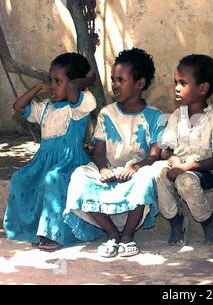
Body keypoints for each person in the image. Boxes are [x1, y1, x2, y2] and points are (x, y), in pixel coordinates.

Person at [64, 48, 164, 258]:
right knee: (80, 176)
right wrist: (102, 169)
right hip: (109, 171)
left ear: (140, 84)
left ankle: (127, 236)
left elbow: (154, 155)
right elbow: (99, 151)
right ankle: (111, 234)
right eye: (113, 79)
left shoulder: (155, 117)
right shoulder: (106, 113)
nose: (115, 84)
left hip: (137, 171)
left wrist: (135, 167)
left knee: (147, 178)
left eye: (121, 79)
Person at [3, 52, 97, 250]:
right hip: (43, 161)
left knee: (53, 178)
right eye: (50, 80)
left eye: (57, 81)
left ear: (75, 82)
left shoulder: (80, 106)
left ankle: (53, 233)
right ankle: (26, 229)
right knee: (20, 178)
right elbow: (18, 106)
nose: (52, 86)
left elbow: (72, 88)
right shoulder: (46, 106)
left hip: (69, 162)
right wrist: (38, 87)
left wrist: (87, 80)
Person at [152, 54, 213, 246]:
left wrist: (186, 167)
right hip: (179, 168)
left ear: (202, 88)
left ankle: (208, 221)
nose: (176, 88)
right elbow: (165, 151)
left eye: (182, 83)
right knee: (156, 171)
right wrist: (176, 162)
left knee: (186, 180)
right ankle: (176, 220)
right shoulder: (177, 116)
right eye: (175, 82)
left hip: (208, 172)